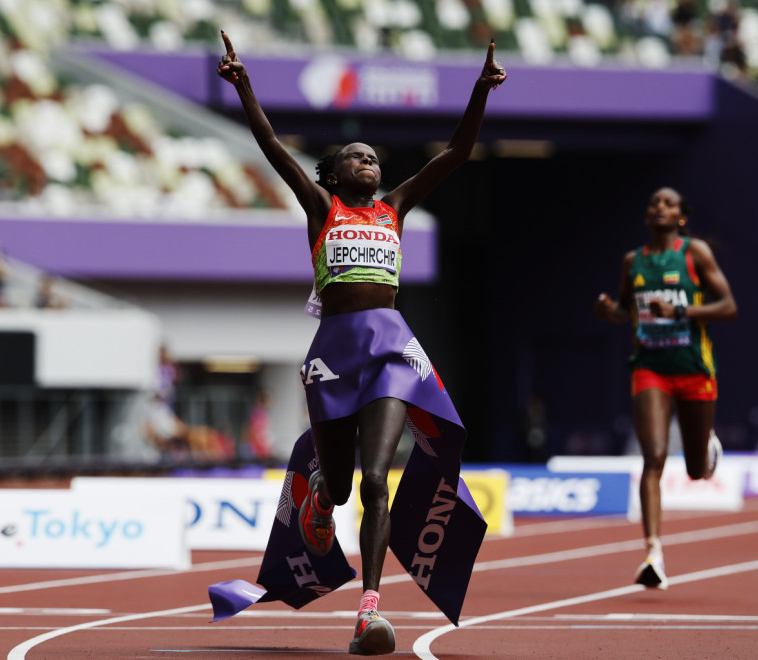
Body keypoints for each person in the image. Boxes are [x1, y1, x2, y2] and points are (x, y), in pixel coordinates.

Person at [216, 31, 505, 655]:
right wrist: (244, 87)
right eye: (355, 156)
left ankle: (369, 612)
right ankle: (320, 490)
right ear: (335, 172)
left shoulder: (395, 208)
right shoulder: (321, 207)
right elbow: (271, 147)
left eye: (373, 156)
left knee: (378, 482)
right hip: (334, 352)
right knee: (343, 487)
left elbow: (455, 152)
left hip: (391, 347)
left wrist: (479, 91)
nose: (368, 161)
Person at [594, 187, 737, 590]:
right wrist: (610, 312)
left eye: (669, 203)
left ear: (681, 217)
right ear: (647, 216)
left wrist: (681, 310)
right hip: (650, 368)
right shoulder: (633, 261)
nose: (660, 207)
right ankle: (652, 552)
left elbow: (728, 306)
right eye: (654, 202)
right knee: (653, 455)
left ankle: (704, 446)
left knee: (695, 471)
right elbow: (626, 308)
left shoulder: (695, 255)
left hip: (693, 367)